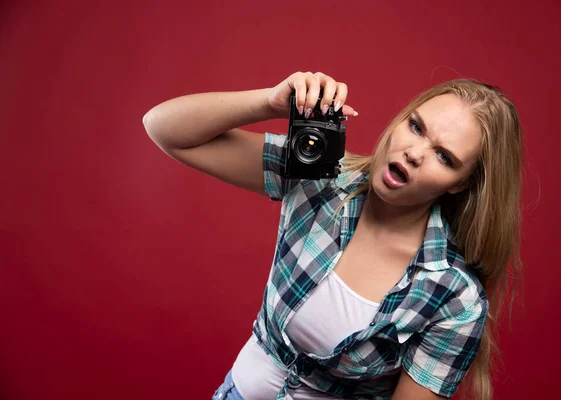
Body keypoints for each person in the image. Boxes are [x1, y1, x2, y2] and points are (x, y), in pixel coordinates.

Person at [142, 71, 523, 400]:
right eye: (416, 126)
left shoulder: (452, 296)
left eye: (444, 157)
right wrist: (270, 103)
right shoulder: (320, 178)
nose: (414, 152)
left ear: (462, 184)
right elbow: (165, 129)